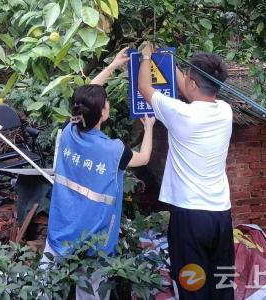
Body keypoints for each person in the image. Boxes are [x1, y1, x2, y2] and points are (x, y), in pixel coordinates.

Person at [42, 47, 156, 299]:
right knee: (92, 293)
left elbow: (84, 99)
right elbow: (145, 157)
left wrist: (113, 65)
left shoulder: (70, 132)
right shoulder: (113, 151)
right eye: (106, 103)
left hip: (60, 230)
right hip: (94, 241)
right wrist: (148, 128)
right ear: (104, 113)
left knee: (45, 288)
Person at [138, 43, 234, 300]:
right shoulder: (225, 111)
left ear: (193, 83)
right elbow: (187, 87)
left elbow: (144, 88)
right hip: (220, 215)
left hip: (189, 215)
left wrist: (147, 57)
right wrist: (167, 58)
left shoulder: (181, 113)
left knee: (192, 283)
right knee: (223, 280)